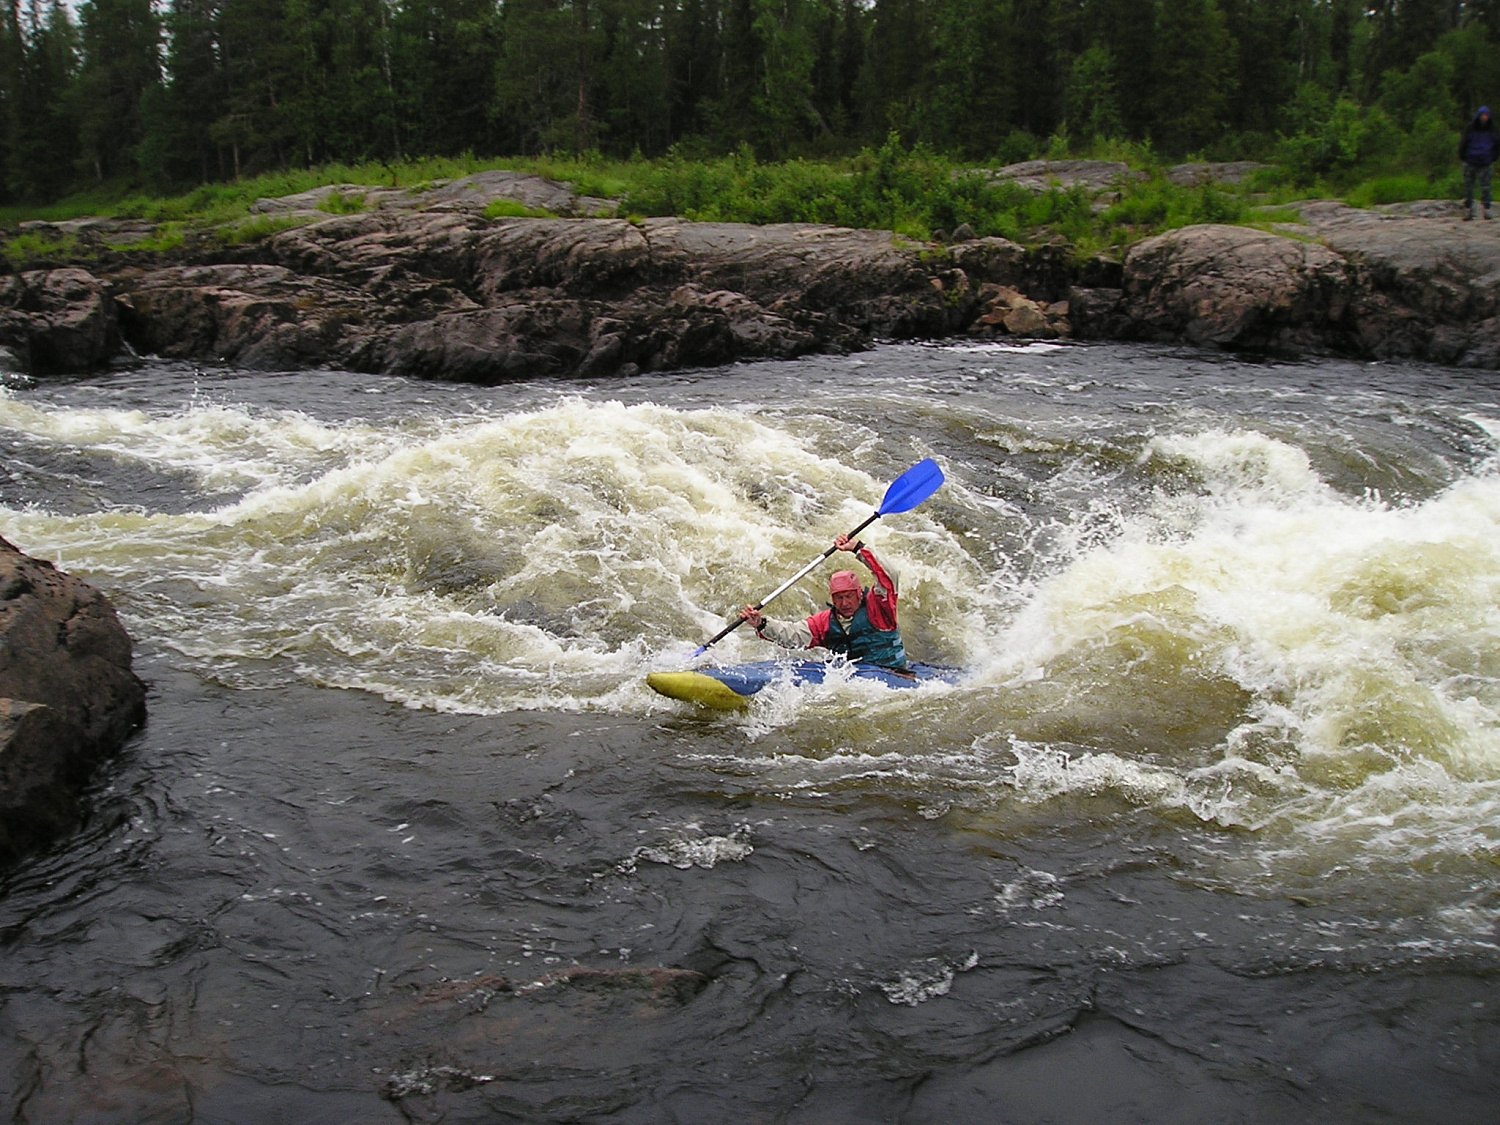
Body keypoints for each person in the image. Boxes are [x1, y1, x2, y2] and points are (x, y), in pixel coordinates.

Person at [738, 534, 909, 671]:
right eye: (839, 598)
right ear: (832, 599)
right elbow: (794, 635)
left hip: (892, 674)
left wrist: (857, 548)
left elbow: (889, 575)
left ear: (859, 595)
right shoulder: (826, 622)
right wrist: (761, 624)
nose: (844, 603)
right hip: (854, 683)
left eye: (849, 596)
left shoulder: (878, 608)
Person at [1459, 106, 1499, 221]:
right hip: (1470, 160)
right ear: (1478, 116)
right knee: (1469, 187)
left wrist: (1493, 158)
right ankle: (1469, 210)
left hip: (1485, 161)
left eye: (1486, 115)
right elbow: (1464, 143)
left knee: (1486, 187)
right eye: (1482, 115)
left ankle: (1486, 209)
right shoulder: (1470, 128)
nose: (1484, 117)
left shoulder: (1492, 129)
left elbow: (1496, 145)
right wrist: (1463, 156)